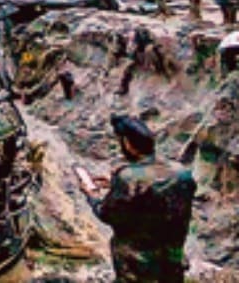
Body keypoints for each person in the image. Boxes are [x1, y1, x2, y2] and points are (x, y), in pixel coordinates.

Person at [79, 115, 196, 282]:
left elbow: (107, 214)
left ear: (127, 143)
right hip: (172, 261)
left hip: (138, 266)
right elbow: (156, 193)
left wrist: (91, 194)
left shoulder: (128, 178)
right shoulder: (180, 172)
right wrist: (115, 184)